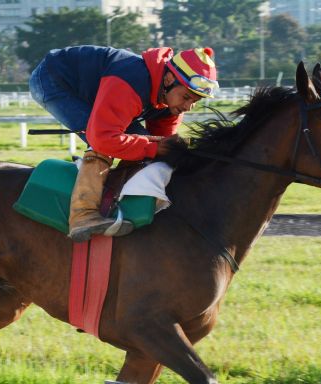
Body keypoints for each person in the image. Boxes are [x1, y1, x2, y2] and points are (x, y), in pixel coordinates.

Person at [29, 45, 218, 242]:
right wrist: (151, 147)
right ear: (169, 79)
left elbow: (161, 145)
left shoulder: (171, 101)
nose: (188, 106)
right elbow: (103, 139)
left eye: (195, 101)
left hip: (99, 90)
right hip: (55, 80)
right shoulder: (132, 80)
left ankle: (118, 201)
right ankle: (83, 215)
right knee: (104, 140)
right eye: (186, 97)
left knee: (148, 145)